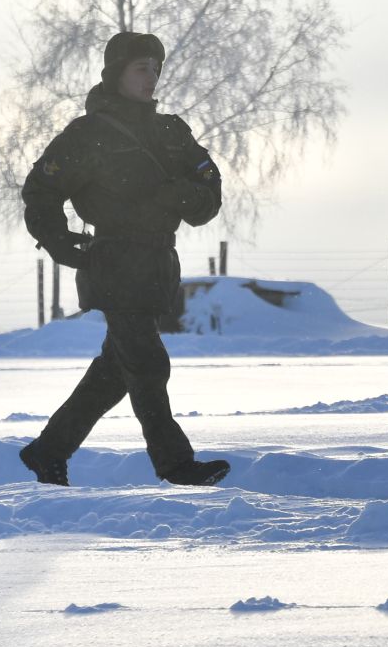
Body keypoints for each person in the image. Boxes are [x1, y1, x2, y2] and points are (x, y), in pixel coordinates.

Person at [17, 31, 229, 487]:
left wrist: (182, 194)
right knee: (149, 364)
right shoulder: (88, 134)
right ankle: (175, 463)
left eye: (156, 68)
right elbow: (40, 191)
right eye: (141, 68)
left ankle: (47, 451)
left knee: (116, 373)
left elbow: (210, 193)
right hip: (113, 264)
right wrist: (59, 241)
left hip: (157, 268)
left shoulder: (172, 132)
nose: (151, 77)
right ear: (116, 74)